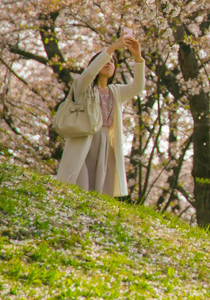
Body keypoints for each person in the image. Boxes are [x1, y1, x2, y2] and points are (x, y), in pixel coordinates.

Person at [55, 34, 145, 197]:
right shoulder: (83, 88)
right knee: (80, 183)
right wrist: (112, 48)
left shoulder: (116, 91)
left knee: (100, 188)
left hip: (105, 141)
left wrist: (138, 57)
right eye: (106, 60)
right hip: (85, 138)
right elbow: (88, 74)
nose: (109, 63)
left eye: (112, 62)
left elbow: (137, 87)